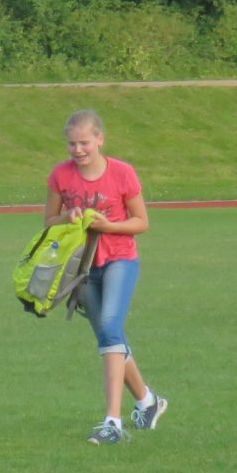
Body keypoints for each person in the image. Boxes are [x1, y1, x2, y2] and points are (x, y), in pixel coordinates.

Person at [44, 109, 167, 445]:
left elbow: (141, 222)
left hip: (119, 259)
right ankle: (148, 402)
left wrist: (108, 226)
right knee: (109, 338)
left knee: (111, 330)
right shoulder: (61, 175)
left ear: (100, 139)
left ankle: (113, 421)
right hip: (82, 266)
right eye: (72, 144)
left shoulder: (122, 173)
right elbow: (49, 221)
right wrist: (69, 216)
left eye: (84, 142)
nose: (78, 150)